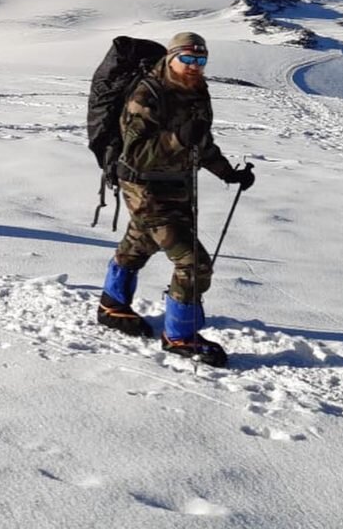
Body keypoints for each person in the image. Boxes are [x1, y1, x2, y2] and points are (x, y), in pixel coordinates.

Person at [95, 31, 255, 366]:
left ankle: (112, 305)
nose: (195, 66)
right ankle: (180, 336)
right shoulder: (148, 94)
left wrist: (227, 173)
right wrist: (178, 139)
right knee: (193, 263)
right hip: (145, 187)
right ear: (171, 58)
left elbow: (200, 142)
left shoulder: (197, 92)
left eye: (201, 59)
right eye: (188, 59)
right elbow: (136, 154)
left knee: (140, 241)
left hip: (177, 183)